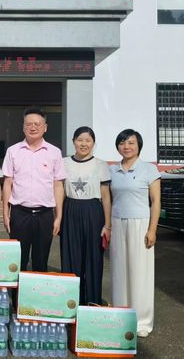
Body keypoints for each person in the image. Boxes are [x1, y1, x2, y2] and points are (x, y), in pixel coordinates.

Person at [109, 129, 161, 338]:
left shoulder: (149, 169)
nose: (126, 146)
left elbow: (156, 201)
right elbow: (108, 199)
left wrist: (152, 229)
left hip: (140, 223)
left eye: (131, 142)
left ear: (139, 146)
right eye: (122, 143)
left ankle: (142, 321)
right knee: (120, 272)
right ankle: (121, 316)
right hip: (117, 222)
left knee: (140, 273)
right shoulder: (112, 170)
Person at [2, 108, 66, 272]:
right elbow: (8, 183)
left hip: (44, 215)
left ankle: (38, 289)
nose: (33, 127)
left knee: (41, 262)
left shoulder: (54, 152)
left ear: (45, 127)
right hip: (19, 213)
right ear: (23, 127)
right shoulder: (13, 151)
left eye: (37, 124)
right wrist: (6, 214)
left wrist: (58, 216)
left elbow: (58, 185)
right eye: (29, 124)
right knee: (18, 262)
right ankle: (17, 289)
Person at [60, 127, 112, 306]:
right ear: (73, 141)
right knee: (70, 256)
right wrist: (58, 217)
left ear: (93, 143)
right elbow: (60, 191)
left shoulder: (101, 165)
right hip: (70, 210)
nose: (84, 144)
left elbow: (106, 196)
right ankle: (71, 302)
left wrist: (107, 224)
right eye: (80, 140)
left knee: (93, 258)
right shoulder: (64, 163)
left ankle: (92, 302)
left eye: (88, 140)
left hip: (93, 211)